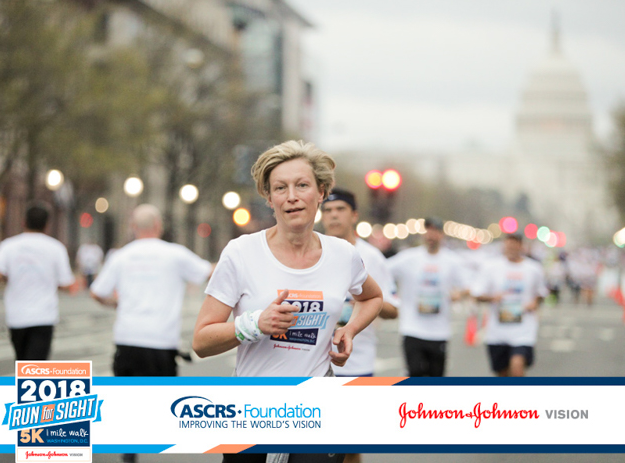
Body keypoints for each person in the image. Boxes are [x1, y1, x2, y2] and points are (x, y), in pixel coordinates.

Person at [192, 140, 383, 463]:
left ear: (321, 192)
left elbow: (373, 297)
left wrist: (349, 330)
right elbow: (201, 341)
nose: (292, 196)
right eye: (280, 188)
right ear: (269, 198)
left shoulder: (343, 255)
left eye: (302, 185)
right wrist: (254, 324)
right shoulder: (241, 253)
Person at [90, 204, 212, 463]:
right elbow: (209, 272)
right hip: (161, 340)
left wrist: (116, 303)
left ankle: (129, 447)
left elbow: (97, 292)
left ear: (133, 227)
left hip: (127, 338)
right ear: (159, 226)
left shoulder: (121, 256)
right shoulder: (175, 254)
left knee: (127, 399)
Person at [320, 187, 397, 463]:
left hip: (357, 362)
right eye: (328, 210)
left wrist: (364, 300)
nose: (333, 216)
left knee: (350, 446)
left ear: (354, 215)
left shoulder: (371, 257)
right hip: (313, 363)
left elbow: (392, 310)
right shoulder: (311, 253)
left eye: (340, 209)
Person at [0, 203, 76, 360]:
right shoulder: (56, 248)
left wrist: (11, 276)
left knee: (22, 360)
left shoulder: (9, 245)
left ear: (24, 222)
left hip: (16, 316)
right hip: (44, 315)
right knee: (36, 365)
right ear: (47, 225)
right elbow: (66, 284)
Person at [387, 217, 467, 377]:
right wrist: (389, 295)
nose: (431, 235)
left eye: (435, 231)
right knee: (415, 372)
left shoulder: (452, 261)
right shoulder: (409, 257)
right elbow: (382, 271)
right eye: (428, 230)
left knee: (435, 378)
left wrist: (460, 293)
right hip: (412, 328)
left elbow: (468, 286)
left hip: (439, 331)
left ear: (442, 234)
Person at [471, 232, 548, 377]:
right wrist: (492, 297)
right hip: (497, 331)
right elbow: (476, 294)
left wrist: (534, 303)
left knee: (517, 367)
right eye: (508, 245)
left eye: (515, 245)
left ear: (521, 246)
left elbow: (541, 293)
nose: (511, 248)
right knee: (502, 373)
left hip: (523, 330)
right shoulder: (491, 267)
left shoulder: (533, 269)